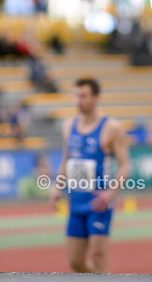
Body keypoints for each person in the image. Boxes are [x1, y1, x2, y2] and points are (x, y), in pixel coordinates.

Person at [50, 78, 130, 274]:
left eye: (83, 96)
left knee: (98, 257)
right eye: (76, 96)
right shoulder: (69, 126)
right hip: (76, 202)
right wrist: (57, 187)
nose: (78, 100)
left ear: (96, 98)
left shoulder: (111, 127)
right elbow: (66, 160)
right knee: (75, 262)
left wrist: (111, 194)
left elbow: (125, 165)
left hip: (98, 203)